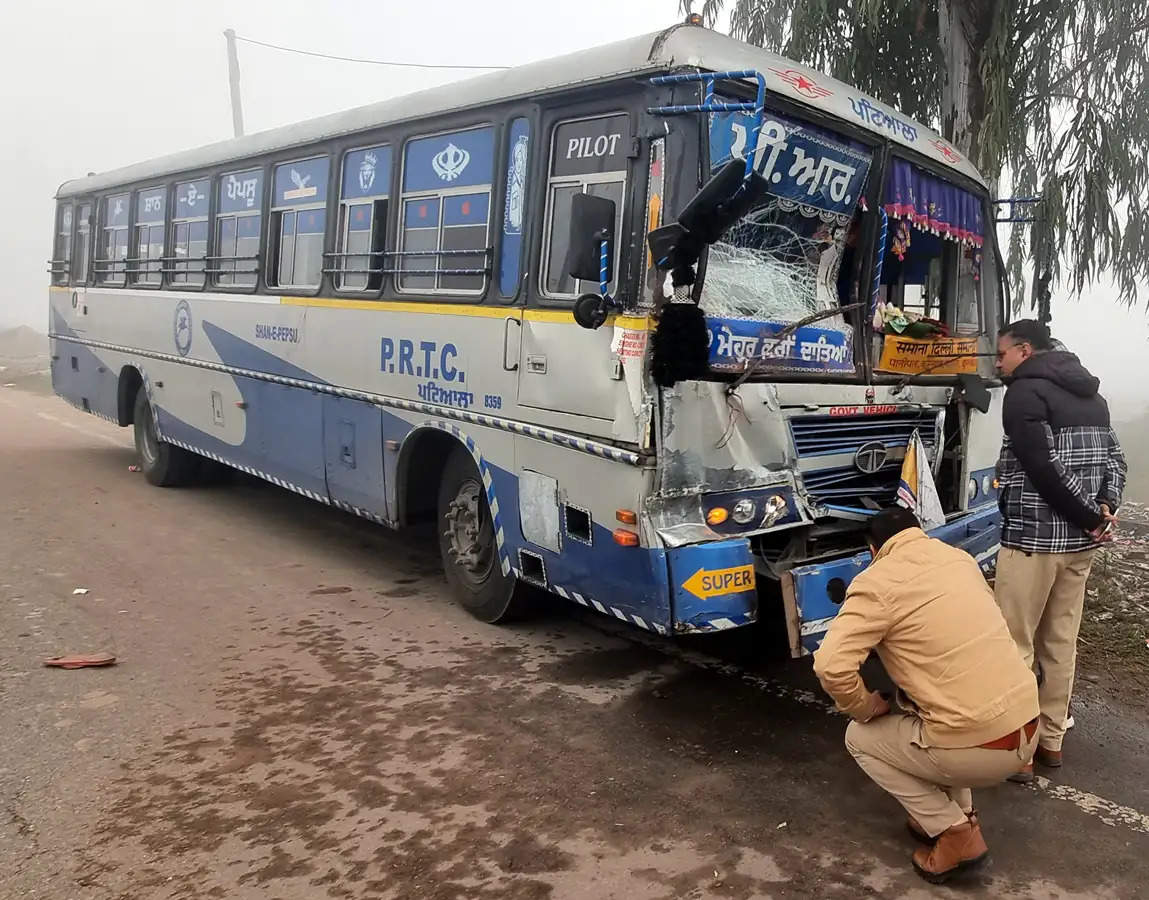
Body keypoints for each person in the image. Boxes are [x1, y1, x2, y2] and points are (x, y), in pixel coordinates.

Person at [813, 508, 1039, 884]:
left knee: (860, 738)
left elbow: (831, 666)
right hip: (1028, 729)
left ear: (873, 550)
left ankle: (955, 833)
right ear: (919, 532)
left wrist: (865, 706)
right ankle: (960, 815)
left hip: (977, 749)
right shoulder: (959, 560)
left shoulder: (877, 581)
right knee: (946, 709)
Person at [993, 320, 1126, 780]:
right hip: (1080, 547)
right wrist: (1103, 508)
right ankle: (1051, 742)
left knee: (1015, 645)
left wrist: (1090, 516)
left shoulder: (1024, 394)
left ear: (1025, 351)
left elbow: (1042, 467)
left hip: (1033, 544)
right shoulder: (1094, 396)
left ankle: (1019, 752)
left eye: (1002, 353)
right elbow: (1115, 461)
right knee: (1060, 643)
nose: (998, 362)